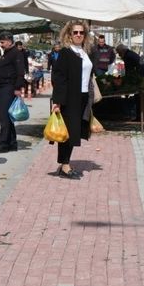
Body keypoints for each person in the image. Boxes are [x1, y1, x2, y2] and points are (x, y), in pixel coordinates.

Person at [51, 20, 94, 179]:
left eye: (81, 32)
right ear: (69, 34)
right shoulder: (66, 52)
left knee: (74, 131)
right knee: (67, 132)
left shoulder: (84, 52)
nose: (78, 35)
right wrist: (57, 102)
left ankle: (65, 163)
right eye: (75, 32)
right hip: (70, 98)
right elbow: (59, 78)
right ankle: (65, 166)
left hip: (83, 96)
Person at [0, 32, 26, 153]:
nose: (1, 44)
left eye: (2, 42)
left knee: (5, 117)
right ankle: (12, 143)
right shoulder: (6, 53)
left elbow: (20, 72)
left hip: (9, 87)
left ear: (10, 41)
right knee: (8, 116)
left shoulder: (16, 53)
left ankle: (4, 143)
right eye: (0, 42)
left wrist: (17, 88)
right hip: (4, 87)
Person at [115, 44, 144, 123]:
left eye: (119, 53)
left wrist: (123, 82)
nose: (119, 55)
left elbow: (128, 71)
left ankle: (143, 118)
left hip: (143, 76)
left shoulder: (128, 56)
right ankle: (141, 117)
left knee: (142, 97)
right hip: (143, 75)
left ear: (122, 51)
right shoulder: (130, 53)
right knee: (139, 97)